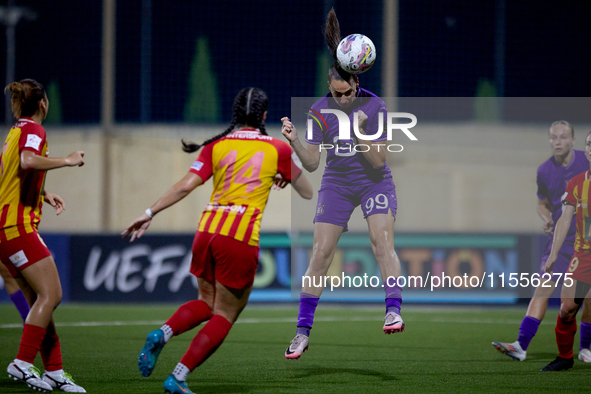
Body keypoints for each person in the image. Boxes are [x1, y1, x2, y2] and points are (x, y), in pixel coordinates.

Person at [122, 87, 313, 394]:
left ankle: (163, 332)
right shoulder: (277, 149)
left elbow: (185, 186)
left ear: (235, 115)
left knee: (205, 304)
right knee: (224, 314)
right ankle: (179, 376)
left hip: (206, 231)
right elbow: (307, 191)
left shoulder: (217, 146)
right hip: (238, 238)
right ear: (264, 116)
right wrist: (285, 175)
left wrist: (149, 212)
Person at [281, 8, 403, 360]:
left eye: (346, 93)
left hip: (373, 182)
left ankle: (393, 309)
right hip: (336, 182)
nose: (342, 99)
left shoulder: (375, 106)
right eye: (336, 94)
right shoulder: (319, 111)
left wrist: (361, 130)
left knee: (381, 242)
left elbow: (379, 160)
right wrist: (294, 142)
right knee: (319, 254)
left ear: (356, 83)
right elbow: (313, 163)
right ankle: (302, 332)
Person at [1, 79, 86, 392]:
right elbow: (28, 161)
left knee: (41, 299)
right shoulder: (34, 130)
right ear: (42, 104)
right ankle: (22, 363)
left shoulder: (14, 132)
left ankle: (55, 371)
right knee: (52, 295)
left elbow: (11, 173)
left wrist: (43, 192)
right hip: (17, 228)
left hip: (6, 230)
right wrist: (67, 160)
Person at [492, 121, 591, 362]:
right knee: (543, 288)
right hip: (562, 240)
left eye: (563, 137)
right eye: (553, 137)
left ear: (573, 141)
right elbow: (542, 202)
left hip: (584, 243)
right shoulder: (544, 170)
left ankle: (585, 347)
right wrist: (546, 218)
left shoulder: (586, 160)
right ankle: (521, 345)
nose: (557, 142)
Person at [541, 130, 591, 371]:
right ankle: (565, 357)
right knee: (567, 308)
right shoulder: (577, 183)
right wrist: (553, 253)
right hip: (583, 257)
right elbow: (564, 220)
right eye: (590, 144)